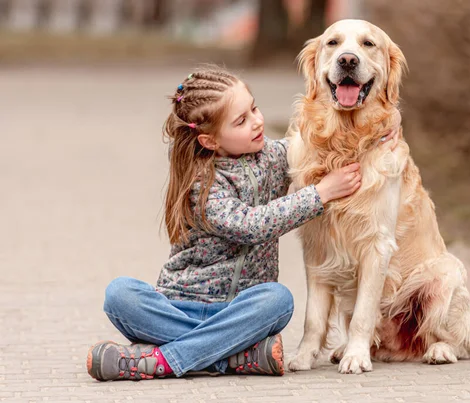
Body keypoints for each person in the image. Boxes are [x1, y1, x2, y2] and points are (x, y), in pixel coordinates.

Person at [86, 64, 400, 381]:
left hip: (243, 310)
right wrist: (319, 194)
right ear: (209, 141)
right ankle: (227, 355)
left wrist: (383, 128)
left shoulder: (272, 156)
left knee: (277, 300)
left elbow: (321, 142)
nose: (257, 121)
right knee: (119, 295)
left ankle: (165, 357)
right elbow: (252, 225)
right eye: (241, 121)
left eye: (254, 108)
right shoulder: (202, 184)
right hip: (180, 309)